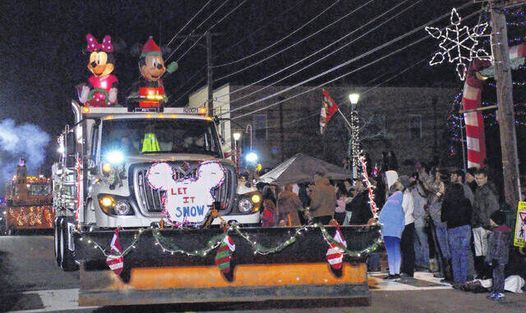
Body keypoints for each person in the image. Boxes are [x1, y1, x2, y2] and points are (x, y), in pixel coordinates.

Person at [441, 183, 472, 285]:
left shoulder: (447, 202)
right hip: (465, 228)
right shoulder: (466, 201)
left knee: (454, 254)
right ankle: (464, 279)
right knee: (464, 254)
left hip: (452, 228)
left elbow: (443, 217)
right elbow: (470, 214)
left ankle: (457, 279)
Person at [472, 168, 499, 279]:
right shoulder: (478, 189)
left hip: (484, 225)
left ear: (486, 178)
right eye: (477, 178)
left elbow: (493, 209)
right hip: (478, 224)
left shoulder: (488, 190)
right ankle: (483, 273)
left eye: (480, 178)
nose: (478, 180)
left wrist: (488, 224)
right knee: (480, 252)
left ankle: (486, 274)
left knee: (485, 251)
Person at [428, 169, 452, 281]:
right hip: (437, 223)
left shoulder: (448, 196)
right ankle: (445, 272)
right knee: (441, 250)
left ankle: (450, 273)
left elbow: (434, 206)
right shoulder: (438, 194)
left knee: (447, 249)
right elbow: (431, 205)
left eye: (439, 178)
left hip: (444, 224)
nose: (437, 180)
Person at [379, 182, 406, 279]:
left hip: (388, 231)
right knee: (396, 251)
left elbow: (381, 217)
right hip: (397, 232)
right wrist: (400, 230)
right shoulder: (400, 207)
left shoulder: (388, 204)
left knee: (390, 252)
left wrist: (381, 228)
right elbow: (403, 221)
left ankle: (392, 272)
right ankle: (397, 272)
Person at [486, 210, 512, 302]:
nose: (490, 221)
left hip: (498, 258)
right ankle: (496, 291)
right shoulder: (500, 231)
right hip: (501, 258)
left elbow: (498, 246)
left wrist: (494, 258)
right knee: (496, 275)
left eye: (491, 220)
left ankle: (499, 292)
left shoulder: (499, 232)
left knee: (498, 275)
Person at [410, 172, 430, 271]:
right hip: (415, 220)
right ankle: (419, 261)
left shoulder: (419, 190)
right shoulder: (415, 190)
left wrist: (415, 215)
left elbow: (421, 205)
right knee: (417, 243)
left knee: (422, 242)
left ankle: (425, 262)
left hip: (419, 220)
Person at [399, 175, 416, 278]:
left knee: (407, 249)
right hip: (405, 223)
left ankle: (408, 270)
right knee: (405, 248)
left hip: (407, 224)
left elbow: (402, 210)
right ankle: (405, 268)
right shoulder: (404, 194)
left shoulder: (406, 195)